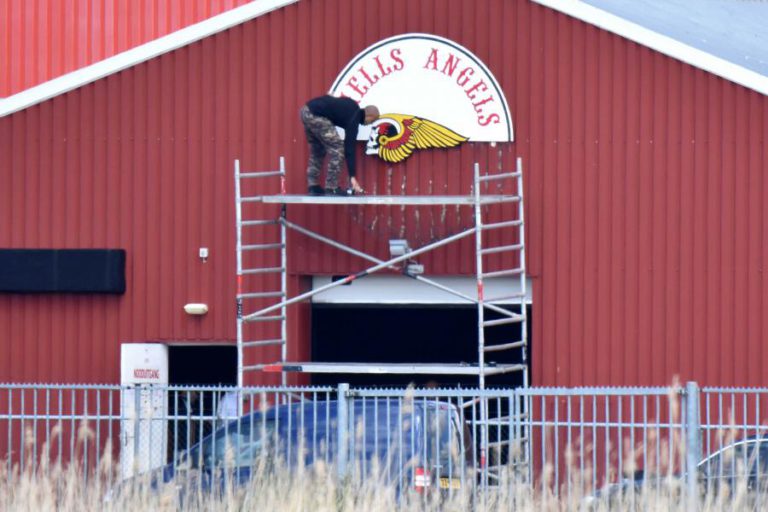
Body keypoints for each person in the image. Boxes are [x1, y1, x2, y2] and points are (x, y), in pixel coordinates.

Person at [300, 95, 379, 196]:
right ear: (370, 116)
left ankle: (313, 186)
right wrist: (352, 176)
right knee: (338, 149)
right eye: (372, 121)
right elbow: (349, 148)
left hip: (306, 111)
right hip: (316, 115)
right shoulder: (354, 116)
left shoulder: (351, 106)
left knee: (318, 150)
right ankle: (331, 187)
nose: (369, 124)